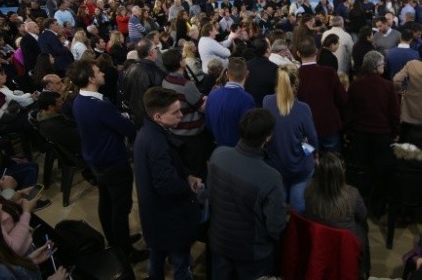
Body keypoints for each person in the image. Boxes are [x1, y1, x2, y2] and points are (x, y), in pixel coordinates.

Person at [67, 59, 147, 263]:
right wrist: (126, 119)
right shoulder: (97, 105)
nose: (102, 73)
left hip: (97, 160)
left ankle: (115, 240)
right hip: (112, 160)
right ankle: (125, 250)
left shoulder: (79, 100)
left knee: (107, 202)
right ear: (91, 78)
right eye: (97, 71)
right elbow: (127, 128)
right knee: (121, 206)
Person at [208, 109, 286, 279]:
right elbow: (276, 226)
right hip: (252, 254)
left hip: (219, 242)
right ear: (268, 137)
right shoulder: (271, 177)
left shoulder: (218, 155)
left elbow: (210, 196)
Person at [134, 87, 202, 280]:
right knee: (181, 263)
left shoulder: (147, 132)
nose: (181, 115)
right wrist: (189, 186)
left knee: (156, 255)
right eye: (175, 112)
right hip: (169, 220)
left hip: (154, 218)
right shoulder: (156, 143)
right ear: (158, 116)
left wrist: (186, 175)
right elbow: (167, 185)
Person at [345, 50, 400, 212]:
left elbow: (349, 111)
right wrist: (396, 132)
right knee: (380, 172)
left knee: (362, 170)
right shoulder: (388, 86)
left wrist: (349, 131)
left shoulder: (355, 85)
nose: (384, 66)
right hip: (382, 136)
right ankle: (377, 206)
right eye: (382, 64)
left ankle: (360, 203)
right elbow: (394, 113)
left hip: (360, 135)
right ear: (376, 67)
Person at [304, 152, 370, 276]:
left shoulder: (309, 190)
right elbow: (363, 215)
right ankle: (362, 271)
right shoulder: (352, 194)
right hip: (345, 246)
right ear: (341, 172)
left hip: (318, 242)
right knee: (364, 227)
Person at [263, 64, 318, 212]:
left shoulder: (267, 102)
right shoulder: (303, 109)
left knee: (279, 203)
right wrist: (307, 152)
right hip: (298, 167)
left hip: (275, 164)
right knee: (298, 203)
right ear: (296, 83)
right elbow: (313, 141)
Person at [161, 48, 214, 178]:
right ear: (181, 63)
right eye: (183, 58)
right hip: (191, 133)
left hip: (176, 131)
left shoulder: (165, 80)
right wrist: (209, 98)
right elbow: (201, 107)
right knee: (198, 170)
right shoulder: (186, 85)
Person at [296, 37, 348, 153]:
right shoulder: (328, 72)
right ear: (316, 51)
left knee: (308, 158)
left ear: (298, 53)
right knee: (332, 161)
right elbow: (342, 98)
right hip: (328, 125)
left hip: (304, 129)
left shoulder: (294, 75)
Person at [205, 57, 255, 147]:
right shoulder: (247, 99)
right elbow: (249, 131)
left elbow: (208, 124)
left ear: (227, 74)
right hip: (239, 150)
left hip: (219, 147)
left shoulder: (212, 94)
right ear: (247, 74)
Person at [120, 40, 166, 128]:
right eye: (156, 48)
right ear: (151, 52)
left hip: (135, 117)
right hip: (151, 118)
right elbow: (159, 97)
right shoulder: (155, 72)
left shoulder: (130, 68)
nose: (157, 50)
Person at [244, 37, 278, 108]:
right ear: (267, 50)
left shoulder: (245, 65)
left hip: (248, 106)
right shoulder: (274, 68)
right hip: (267, 108)